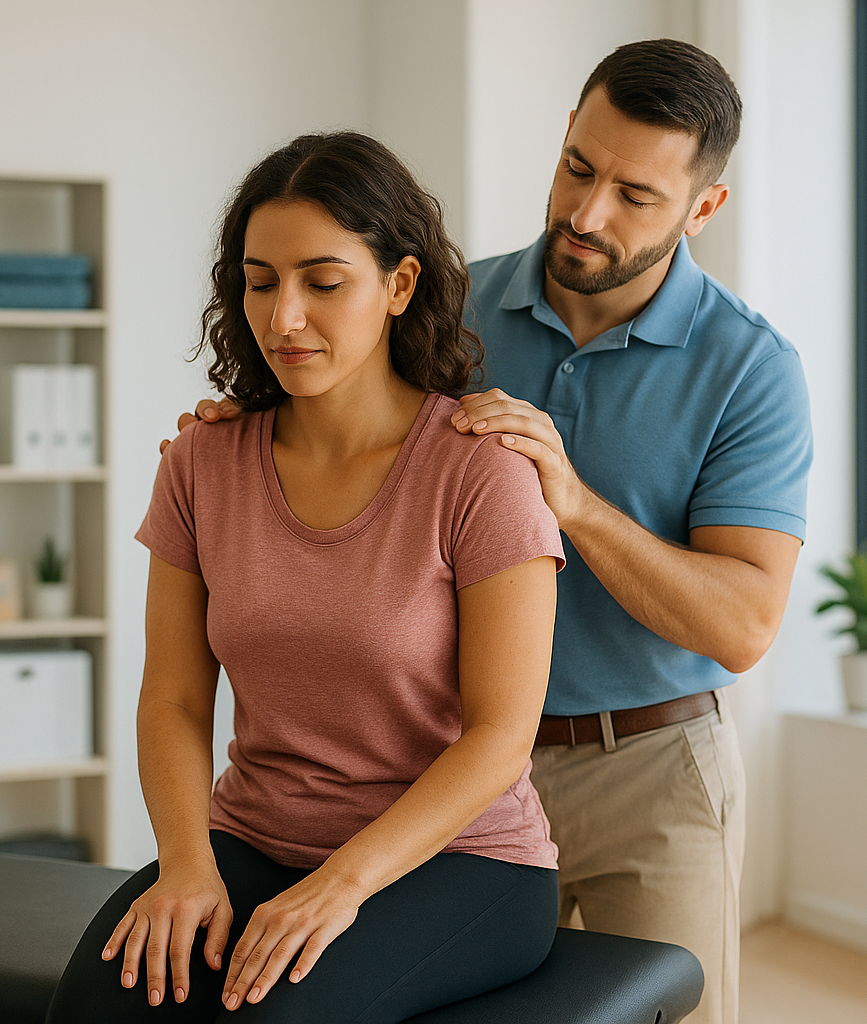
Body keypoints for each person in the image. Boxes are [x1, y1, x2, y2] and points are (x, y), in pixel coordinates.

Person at [172, 40, 812, 1024]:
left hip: (648, 766)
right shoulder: (451, 310)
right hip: (443, 775)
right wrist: (240, 426)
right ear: (563, 138)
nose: (588, 214)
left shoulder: (749, 368)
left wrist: (580, 503)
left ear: (703, 208)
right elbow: (329, 397)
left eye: (636, 195)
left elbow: (743, 623)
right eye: (579, 168)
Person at [58, 131, 566, 1024]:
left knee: (271, 1017)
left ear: (398, 286)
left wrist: (342, 885)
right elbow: (174, 698)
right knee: (101, 1001)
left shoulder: (478, 473)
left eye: (323, 283)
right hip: (256, 836)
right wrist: (186, 866)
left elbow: (499, 737)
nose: (284, 316)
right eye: (261, 282)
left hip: (461, 862)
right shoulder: (201, 463)